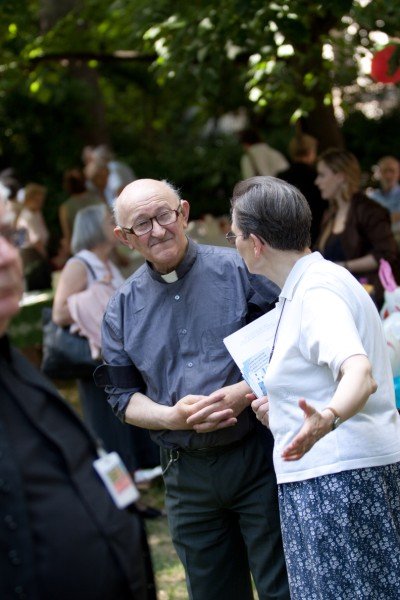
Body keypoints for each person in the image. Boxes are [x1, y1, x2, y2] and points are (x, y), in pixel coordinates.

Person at [96, 178, 290, 600]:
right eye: (142, 224)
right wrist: (170, 417)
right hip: (185, 474)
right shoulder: (121, 309)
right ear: (125, 238)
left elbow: (288, 344)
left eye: (164, 215)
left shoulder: (242, 270)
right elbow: (121, 397)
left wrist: (242, 392)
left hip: (257, 455)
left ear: (183, 213)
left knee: (283, 588)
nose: (158, 230)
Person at [229, 175, 400, 600]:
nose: (231, 242)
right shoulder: (306, 286)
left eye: (233, 234)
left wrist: (327, 417)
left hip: (339, 483)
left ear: (256, 243)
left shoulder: (318, 291)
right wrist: (283, 411)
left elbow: (358, 372)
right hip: (332, 476)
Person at [0, 199, 155, 600]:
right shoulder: (78, 264)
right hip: (92, 363)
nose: (6, 255)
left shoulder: (14, 371)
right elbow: (61, 312)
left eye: (7, 237)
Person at [315, 148, 399, 307]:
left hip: (366, 300)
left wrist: (344, 266)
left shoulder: (370, 211)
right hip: (338, 298)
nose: (317, 181)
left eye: (322, 175)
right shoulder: (330, 214)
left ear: (340, 177)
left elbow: (386, 253)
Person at [277, 133, 327, 244]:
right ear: (311, 152)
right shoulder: (317, 176)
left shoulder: (281, 178)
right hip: (315, 230)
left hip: (288, 233)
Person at [58, 168, 103, 254]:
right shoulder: (96, 199)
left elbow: (68, 235)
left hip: (84, 252)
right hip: (103, 245)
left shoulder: (65, 208)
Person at [17, 182, 52, 290]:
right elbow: (35, 240)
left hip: (36, 254)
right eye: (37, 201)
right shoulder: (26, 217)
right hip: (32, 257)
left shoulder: (36, 213)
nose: (40, 203)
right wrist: (45, 256)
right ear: (28, 200)